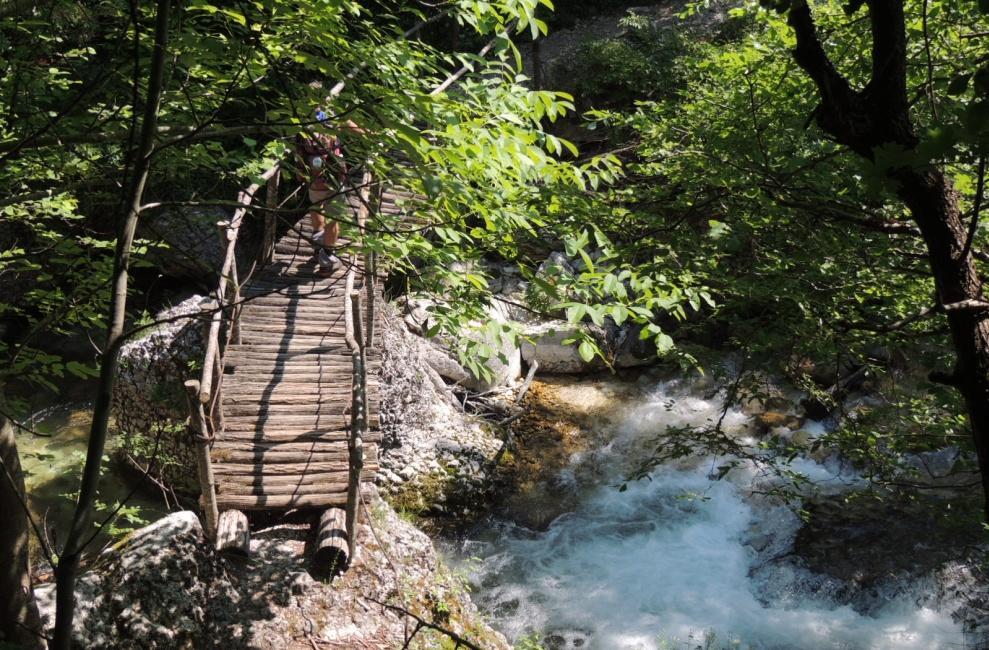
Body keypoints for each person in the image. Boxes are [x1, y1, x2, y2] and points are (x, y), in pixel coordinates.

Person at [295, 108, 362, 274]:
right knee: (334, 218)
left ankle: (318, 241)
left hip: (314, 177)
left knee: (316, 205)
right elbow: (361, 132)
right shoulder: (333, 118)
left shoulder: (302, 124)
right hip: (334, 179)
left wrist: (301, 175)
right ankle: (327, 260)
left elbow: (298, 154)